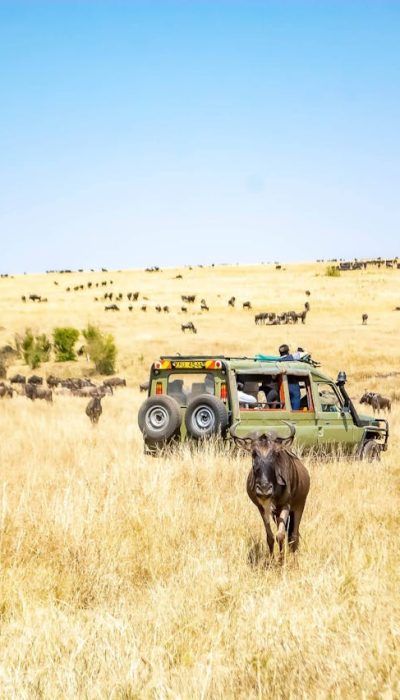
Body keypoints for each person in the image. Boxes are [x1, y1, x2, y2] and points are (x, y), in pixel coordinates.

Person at [276, 344, 301, 409]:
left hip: (282, 385)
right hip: (293, 384)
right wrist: (299, 351)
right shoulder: (292, 357)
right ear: (288, 351)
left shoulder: (278, 361)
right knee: (296, 400)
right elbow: (301, 355)